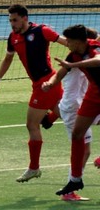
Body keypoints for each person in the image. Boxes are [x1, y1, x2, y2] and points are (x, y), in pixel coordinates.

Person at [0, 4, 67, 183]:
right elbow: (8, 58)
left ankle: (34, 168)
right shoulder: (13, 37)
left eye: (15, 20)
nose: (12, 24)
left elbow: (67, 43)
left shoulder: (42, 31)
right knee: (74, 119)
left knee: (32, 125)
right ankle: (57, 117)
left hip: (47, 84)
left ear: (25, 18)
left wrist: (83, 56)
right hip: (42, 85)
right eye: (10, 20)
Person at [41, 24, 100, 196]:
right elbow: (60, 73)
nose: (66, 43)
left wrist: (74, 64)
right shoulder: (73, 54)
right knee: (77, 134)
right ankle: (75, 180)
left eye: (69, 41)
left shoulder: (93, 48)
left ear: (78, 41)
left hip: (85, 96)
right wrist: (50, 83)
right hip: (93, 93)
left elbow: (98, 60)